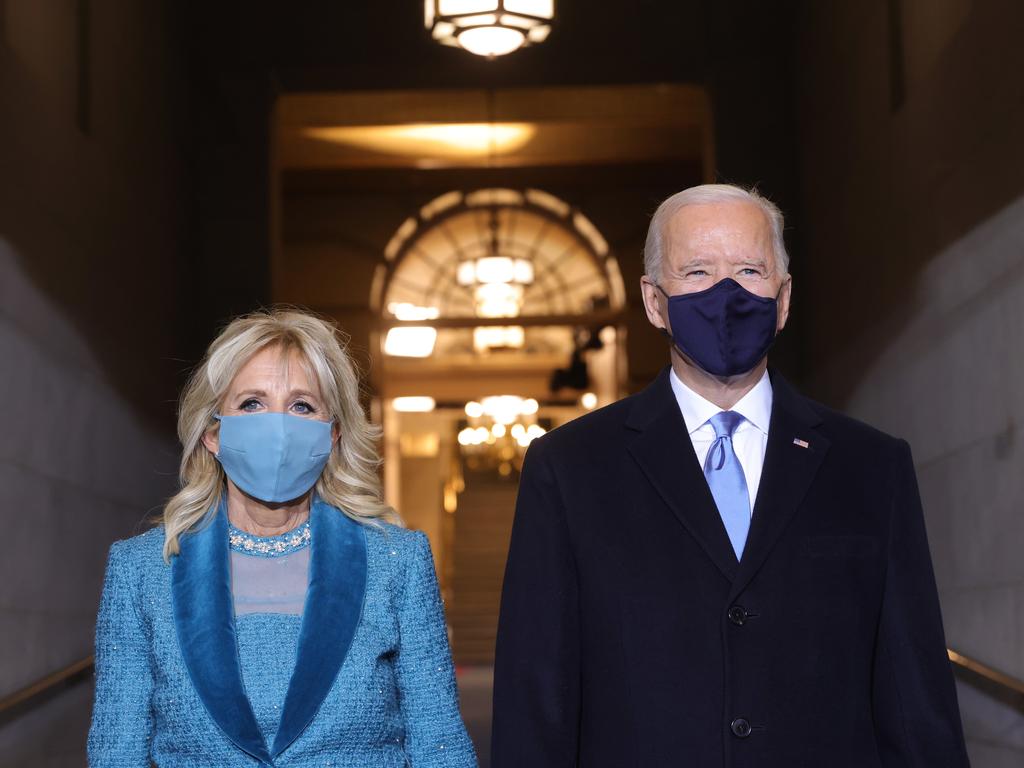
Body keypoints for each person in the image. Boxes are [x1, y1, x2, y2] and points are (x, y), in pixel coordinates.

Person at [491, 184, 968, 767]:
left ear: (784, 297)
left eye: (749, 269)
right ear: (653, 301)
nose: (726, 294)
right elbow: (536, 700)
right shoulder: (568, 469)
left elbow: (915, 700)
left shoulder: (871, 467)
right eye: (696, 271)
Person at [88, 309, 477, 767]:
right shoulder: (141, 570)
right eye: (252, 403)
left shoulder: (398, 561)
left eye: (302, 406)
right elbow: (117, 751)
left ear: (332, 434)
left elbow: (440, 745)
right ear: (213, 432)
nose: (277, 425)